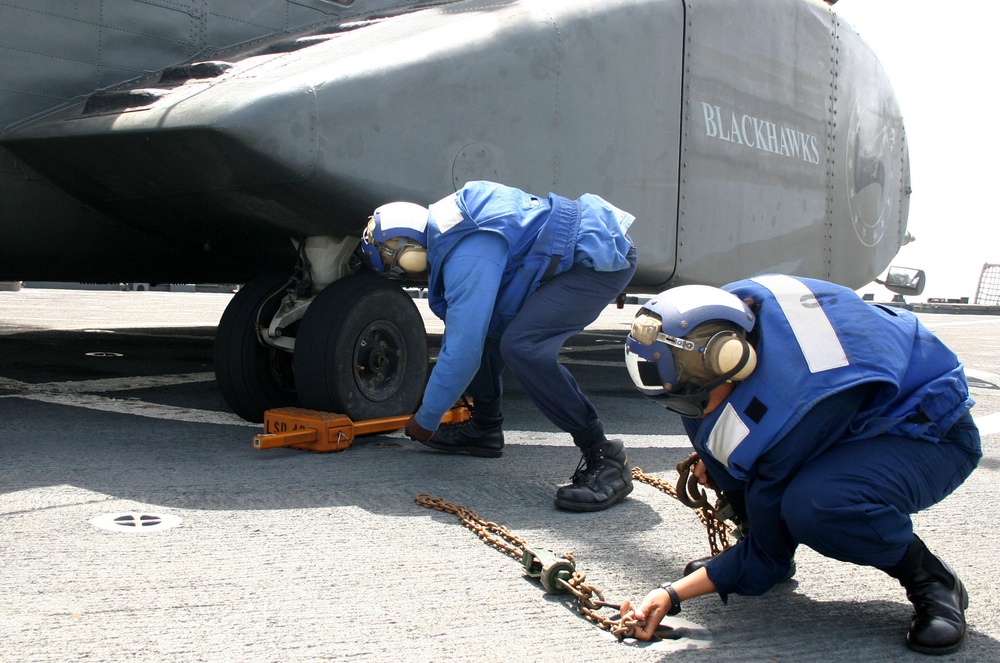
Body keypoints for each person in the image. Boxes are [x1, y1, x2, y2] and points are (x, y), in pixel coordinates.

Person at [620, 275, 981, 655]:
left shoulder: (795, 400)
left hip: (927, 435)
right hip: (851, 411)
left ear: (735, 360)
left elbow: (766, 561)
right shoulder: (725, 315)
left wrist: (668, 595)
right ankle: (755, 528)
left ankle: (930, 579)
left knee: (817, 504)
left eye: (689, 397)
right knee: (711, 430)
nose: (684, 411)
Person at [360, 180, 638, 511]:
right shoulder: (452, 217)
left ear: (409, 254)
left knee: (524, 347)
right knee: (489, 326)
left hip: (596, 262)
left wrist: (427, 417)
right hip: (575, 249)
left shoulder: (469, 254)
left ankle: (604, 455)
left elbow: (462, 352)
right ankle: (484, 429)